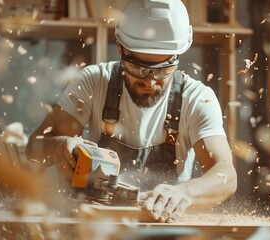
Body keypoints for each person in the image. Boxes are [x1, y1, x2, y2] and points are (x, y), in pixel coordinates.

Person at [26, 0, 237, 222]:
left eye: (163, 69)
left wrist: (185, 192)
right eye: (139, 68)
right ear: (120, 47)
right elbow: (34, 148)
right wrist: (58, 146)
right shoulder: (93, 82)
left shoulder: (196, 98)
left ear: (177, 57)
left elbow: (227, 175)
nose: (150, 81)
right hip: (97, 226)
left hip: (164, 226)